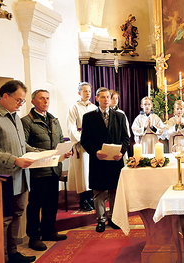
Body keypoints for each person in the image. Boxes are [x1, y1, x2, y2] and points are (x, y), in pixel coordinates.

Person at [21, 89, 72, 251]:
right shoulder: (26, 121)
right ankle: (34, 237)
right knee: (36, 204)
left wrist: (65, 151)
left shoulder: (54, 120)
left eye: (48, 98)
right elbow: (24, 145)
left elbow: (59, 140)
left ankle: (48, 231)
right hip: (38, 170)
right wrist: (43, 154)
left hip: (53, 168)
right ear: (33, 102)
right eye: (42, 98)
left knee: (51, 203)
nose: (46, 101)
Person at [0, 80, 37, 263]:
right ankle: (1, 257)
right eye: (18, 100)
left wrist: (45, 154)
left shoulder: (15, 116)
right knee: (4, 219)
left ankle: (12, 253)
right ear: (5, 96)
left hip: (20, 177)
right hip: (2, 179)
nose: (21, 105)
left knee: (17, 214)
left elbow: (22, 146)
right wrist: (15, 160)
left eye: (22, 101)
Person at [80, 88, 130, 233]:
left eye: (108, 97)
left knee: (114, 191)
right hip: (98, 161)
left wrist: (122, 152)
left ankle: (114, 218)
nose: (106, 100)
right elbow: (85, 140)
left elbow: (126, 139)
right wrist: (95, 152)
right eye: (102, 97)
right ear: (97, 99)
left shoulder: (119, 116)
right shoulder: (88, 117)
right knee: (99, 192)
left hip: (115, 160)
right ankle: (101, 220)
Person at [66, 82, 97, 212]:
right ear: (79, 93)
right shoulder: (74, 108)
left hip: (93, 145)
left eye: (89, 91)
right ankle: (83, 199)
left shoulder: (94, 107)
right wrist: (82, 139)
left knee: (91, 171)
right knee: (82, 172)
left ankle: (91, 198)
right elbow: (71, 127)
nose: (87, 93)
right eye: (85, 91)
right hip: (81, 145)